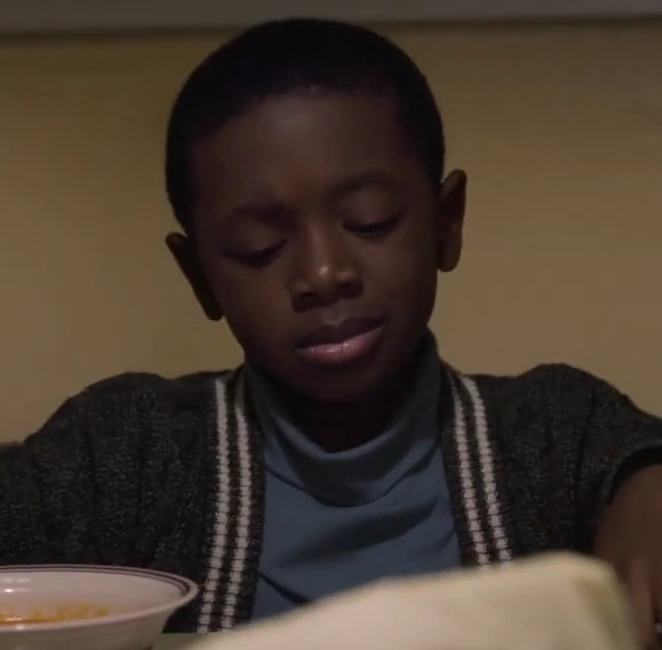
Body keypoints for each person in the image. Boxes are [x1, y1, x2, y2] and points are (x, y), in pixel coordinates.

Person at [1, 16, 661, 645]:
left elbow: (633, 453)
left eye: (370, 221)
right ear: (198, 276)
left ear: (446, 222)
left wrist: (648, 480)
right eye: (260, 248)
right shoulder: (125, 453)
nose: (322, 274)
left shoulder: (557, 439)